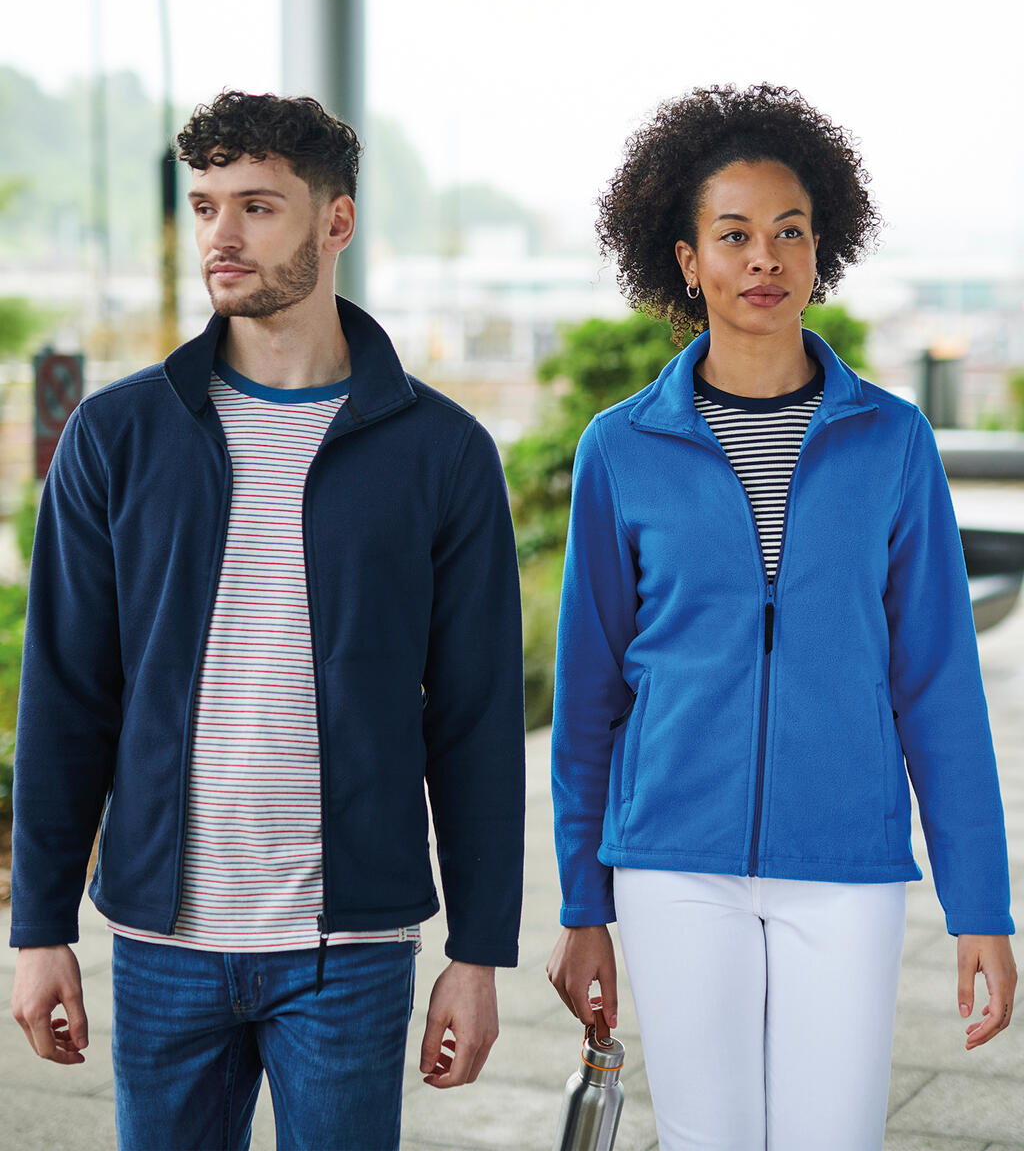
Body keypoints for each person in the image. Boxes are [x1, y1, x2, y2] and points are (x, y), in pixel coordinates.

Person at [10, 90, 525, 1151]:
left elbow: (474, 719)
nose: (222, 236)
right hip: (162, 943)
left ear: (336, 221)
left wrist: (477, 951)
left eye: (257, 206)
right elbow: (66, 692)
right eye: (205, 207)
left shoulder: (442, 452)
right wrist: (39, 927)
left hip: (350, 950)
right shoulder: (116, 435)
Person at [546, 82, 1016, 1149]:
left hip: (845, 861)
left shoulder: (892, 442)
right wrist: (582, 903)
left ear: (820, 251)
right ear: (686, 259)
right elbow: (588, 693)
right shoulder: (620, 448)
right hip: (672, 860)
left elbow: (937, 686)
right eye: (734, 234)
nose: (764, 258)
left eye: (789, 231)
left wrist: (980, 907)